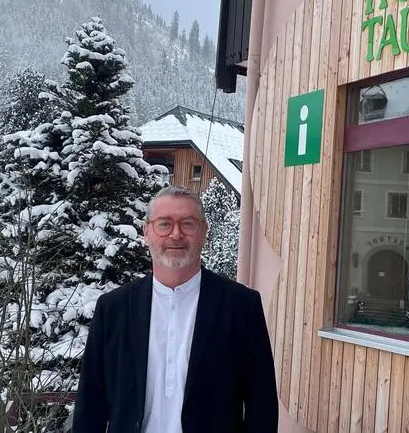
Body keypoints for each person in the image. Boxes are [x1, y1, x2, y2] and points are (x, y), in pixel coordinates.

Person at [73, 185, 278, 433]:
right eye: (164, 224)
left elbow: (262, 404)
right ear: (146, 232)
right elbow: (90, 404)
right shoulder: (113, 309)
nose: (176, 234)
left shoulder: (241, 306)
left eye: (188, 224)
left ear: (204, 232)